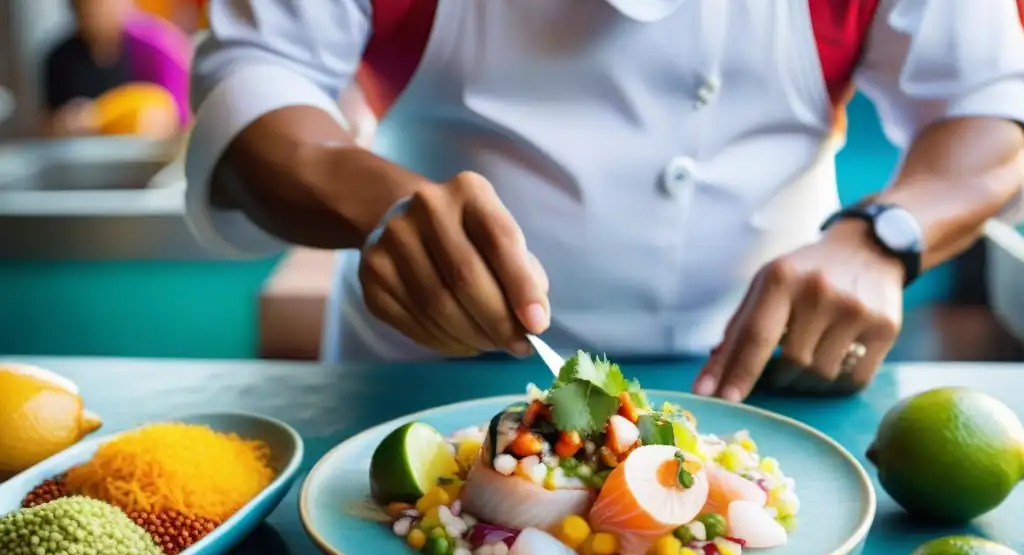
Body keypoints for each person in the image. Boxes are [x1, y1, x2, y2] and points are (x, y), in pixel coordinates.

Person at [184, 1, 1024, 401]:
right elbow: (256, 82)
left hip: (771, 387)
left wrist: (883, 237)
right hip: (423, 383)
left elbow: (990, 106)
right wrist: (379, 203)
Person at [42, 0, 191, 138]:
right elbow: (48, 124)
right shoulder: (61, 59)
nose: (94, 12)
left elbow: (182, 116)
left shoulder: (154, 48)